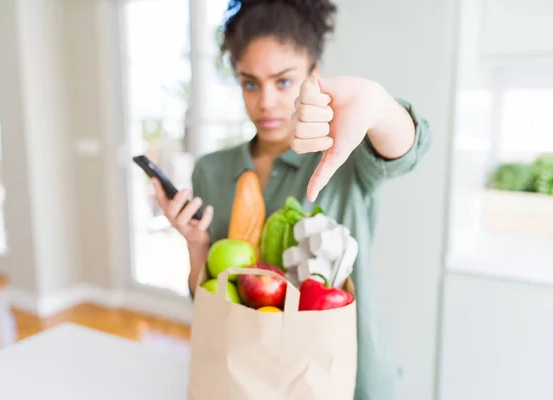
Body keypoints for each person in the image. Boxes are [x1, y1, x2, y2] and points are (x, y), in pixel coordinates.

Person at [152, 0, 432, 398]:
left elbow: (407, 150)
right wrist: (196, 244)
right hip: (249, 378)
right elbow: (213, 302)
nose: (265, 101)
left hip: (349, 378)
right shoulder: (211, 171)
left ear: (314, 77)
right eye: (250, 82)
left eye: (283, 82)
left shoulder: (344, 154)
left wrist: (377, 106)